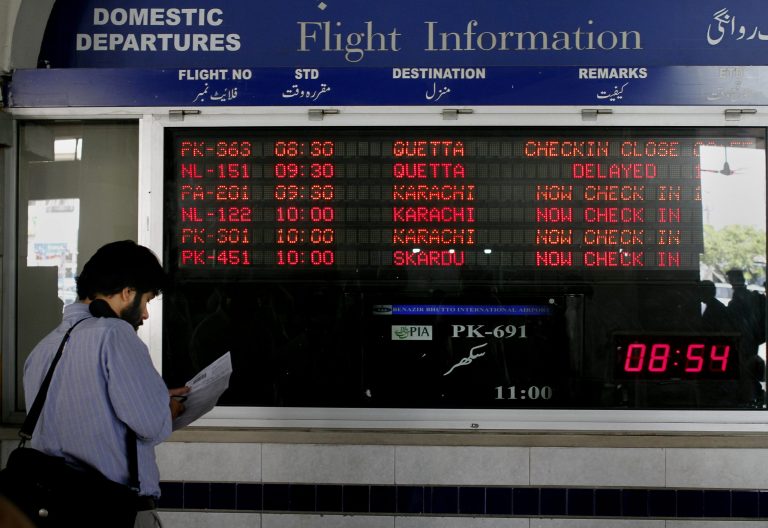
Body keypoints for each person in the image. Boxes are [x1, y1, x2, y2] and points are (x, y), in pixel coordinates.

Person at [23, 240, 189, 528]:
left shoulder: (42, 349)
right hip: (112, 511)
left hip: (52, 511)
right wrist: (168, 406)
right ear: (128, 292)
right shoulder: (116, 334)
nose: (146, 314)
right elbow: (151, 427)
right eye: (147, 300)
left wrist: (154, 392)